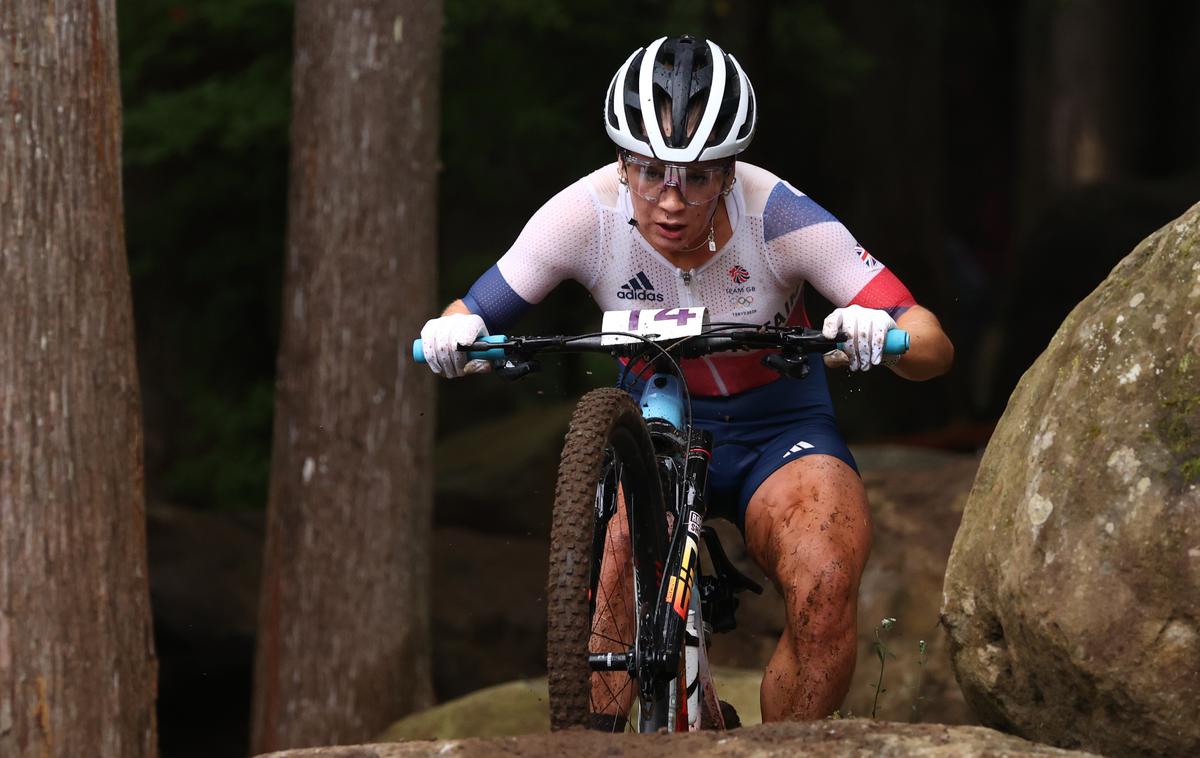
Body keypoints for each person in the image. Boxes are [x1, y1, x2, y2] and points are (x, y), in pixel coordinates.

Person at [420, 35, 954, 723]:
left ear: (730, 173)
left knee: (823, 579)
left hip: (780, 428)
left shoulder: (780, 215)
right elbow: (470, 316)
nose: (670, 200)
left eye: (696, 177)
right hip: (656, 424)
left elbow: (932, 342)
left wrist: (879, 331)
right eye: (649, 172)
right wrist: (454, 332)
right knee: (615, 570)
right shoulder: (581, 216)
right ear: (621, 163)